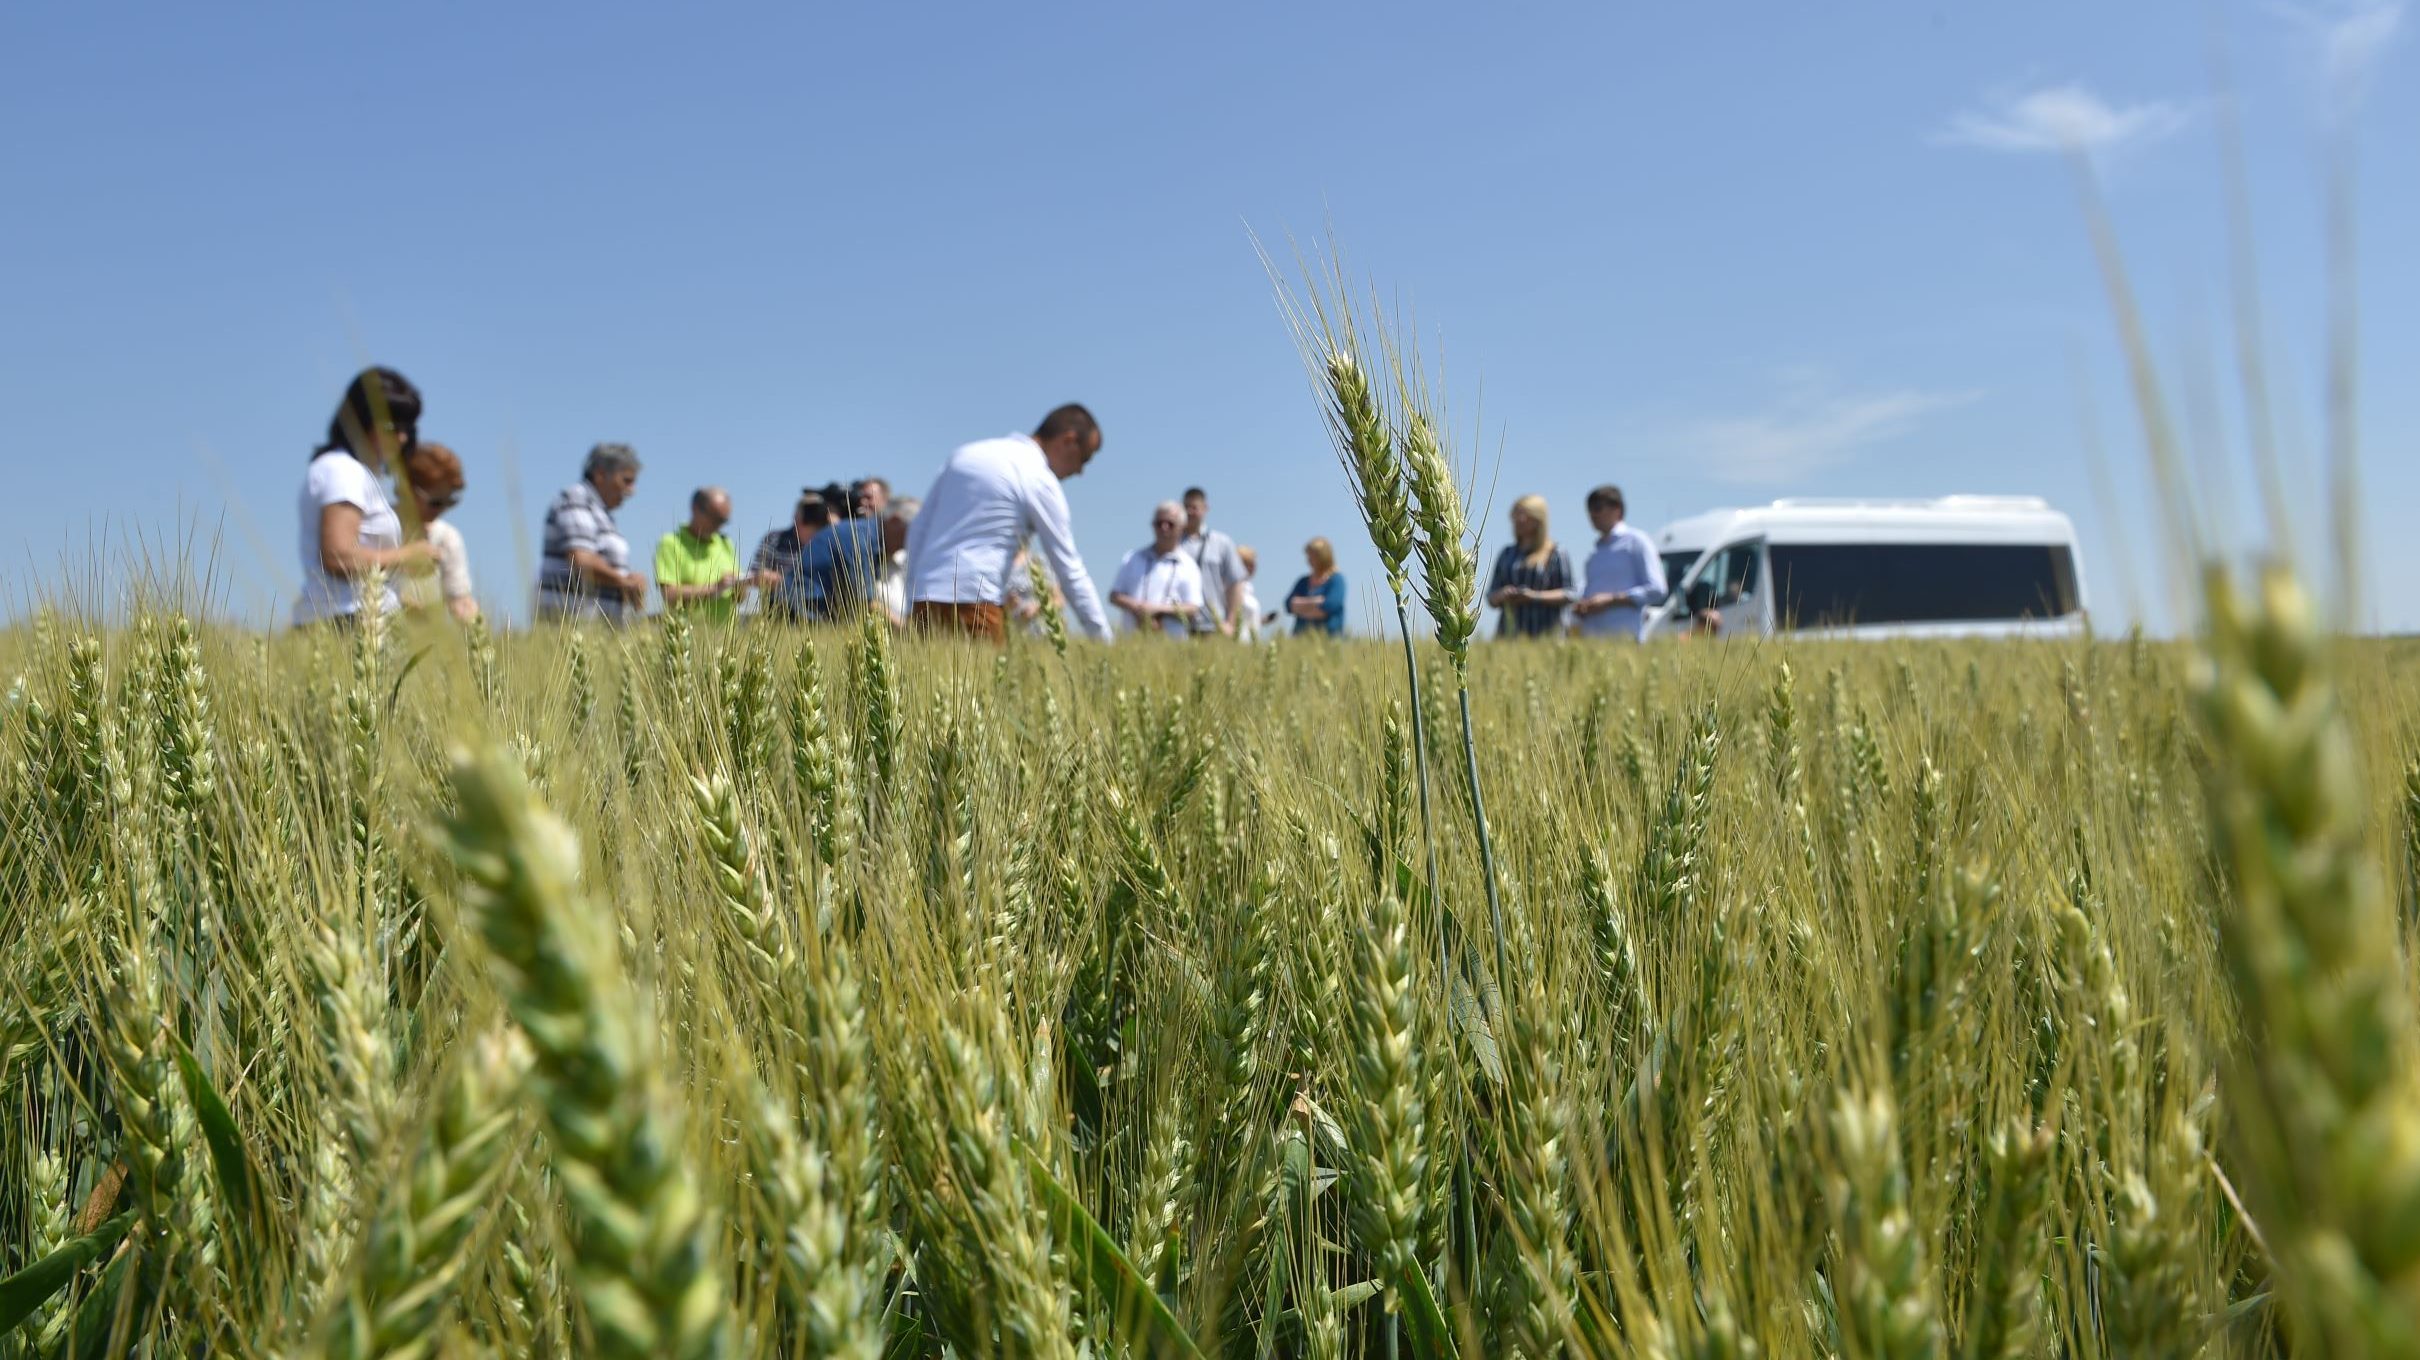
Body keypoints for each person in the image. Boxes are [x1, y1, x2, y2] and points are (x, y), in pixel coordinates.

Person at [903, 404, 1113, 644]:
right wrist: (1103, 641)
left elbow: (919, 529)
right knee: (981, 681)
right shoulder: (1038, 477)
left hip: (924, 600)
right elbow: (1068, 567)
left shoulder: (965, 455)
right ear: (1069, 441)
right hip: (978, 605)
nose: (1080, 471)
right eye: (1084, 459)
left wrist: (911, 597)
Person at [294, 366, 439, 627]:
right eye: (392, 426)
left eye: (407, 427)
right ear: (361, 420)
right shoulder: (343, 471)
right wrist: (408, 555)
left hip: (349, 620)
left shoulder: (346, 470)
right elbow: (338, 556)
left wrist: (399, 595)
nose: (403, 438)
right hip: (347, 624)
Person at [536, 443, 647, 623]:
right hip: (572, 627)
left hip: (595, 632)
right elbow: (582, 560)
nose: (632, 490)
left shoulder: (602, 513)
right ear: (600, 474)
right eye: (626, 480)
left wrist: (629, 585)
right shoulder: (577, 499)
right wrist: (626, 583)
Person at [1569, 483, 1667, 641]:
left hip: (1624, 638)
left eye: (1598, 508)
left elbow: (1657, 588)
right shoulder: (1595, 552)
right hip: (1592, 640)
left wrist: (1611, 600)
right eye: (1589, 510)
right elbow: (1585, 590)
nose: (1592, 515)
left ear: (1617, 509)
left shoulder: (1637, 541)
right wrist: (1583, 605)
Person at [790, 482, 901, 621]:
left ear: (886, 501)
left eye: (868, 497)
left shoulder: (879, 545)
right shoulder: (857, 537)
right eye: (860, 498)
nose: (862, 502)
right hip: (806, 613)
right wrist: (907, 630)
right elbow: (864, 601)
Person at [401, 442, 478, 622]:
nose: (442, 509)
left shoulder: (447, 538)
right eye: (435, 502)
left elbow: (459, 599)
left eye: (450, 501)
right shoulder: (379, 528)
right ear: (408, 490)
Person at [1110, 502, 1207, 638]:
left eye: (1170, 524)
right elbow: (1114, 596)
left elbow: (1194, 607)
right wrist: (1138, 608)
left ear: (1182, 528)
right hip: (1131, 640)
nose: (1164, 528)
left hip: (1172, 646)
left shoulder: (1189, 566)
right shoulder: (1132, 558)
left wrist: (1156, 610)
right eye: (1159, 523)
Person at [655, 486, 749, 623]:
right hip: (686, 636)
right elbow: (669, 594)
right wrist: (714, 589)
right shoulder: (670, 543)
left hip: (726, 638)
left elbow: (740, 598)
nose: (718, 526)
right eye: (715, 518)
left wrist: (742, 585)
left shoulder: (725, 543)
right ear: (695, 509)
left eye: (723, 521)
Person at [1486, 493, 1574, 639]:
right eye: (1515, 515)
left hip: (1547, 635)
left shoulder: (1556, 553)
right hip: (1509, 636)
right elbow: (1491, 596)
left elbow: (1569, 593)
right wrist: (1502, 595)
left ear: (1538, 518)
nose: (1517, 520)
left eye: (1523, 514)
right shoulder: (1506, 554)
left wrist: (1534, 596)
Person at [1177, 486, 1249, 636]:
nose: (1190, 512)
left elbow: (1236, 583)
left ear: (1205, 508)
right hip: (1176, 626)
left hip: (1213, 626)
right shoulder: (1172, 543)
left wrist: (1230, 622)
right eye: (1186, 507)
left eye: (1194, 507)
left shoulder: (1222, 543)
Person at [1285, 537, 1347, 637]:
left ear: (1323, 556)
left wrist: (1301, 608)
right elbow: (1288, 604)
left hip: (1329, 639)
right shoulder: (1303, 581)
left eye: (1313, 555)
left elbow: (1331, 605)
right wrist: (1318, 601)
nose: (1309, 559)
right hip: (1300, 639)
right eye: (1308, 555)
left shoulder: (1336, 580)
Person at [876, 496, 920, 626]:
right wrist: (906, 632)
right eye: (915, 530)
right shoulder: (864, 547)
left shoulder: (906, 561)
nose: (919, 537)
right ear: (895, 521)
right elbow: (864, 601)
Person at [1233, 544, 1267, 642]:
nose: (1254, 567)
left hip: (1250, 642)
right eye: (1249, 564)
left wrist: (1262, 620)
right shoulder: (1230, 587)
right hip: (1238, 641)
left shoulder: (1249, 587)